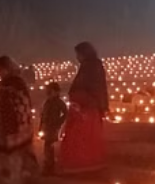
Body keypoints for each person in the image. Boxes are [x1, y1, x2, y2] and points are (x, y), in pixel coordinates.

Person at [0, 56, 37, 184]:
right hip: (2, 127)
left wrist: (18, 125)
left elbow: (22, 105)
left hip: (14, 127)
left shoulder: (16, 83)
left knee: (14, 158)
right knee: (3, 158)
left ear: (6, 68)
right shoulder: (5, 83)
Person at [59, 42, 109, 173]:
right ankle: (83, 163)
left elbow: (94, 87)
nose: (77, 58)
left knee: (83, 137)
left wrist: (81, 100)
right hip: (85, 106)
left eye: (78, 54)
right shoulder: (89, 66)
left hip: (87, 108)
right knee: (82, 136)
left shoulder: (91, 66)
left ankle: (83, 163)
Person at [39, 82, 68, 175]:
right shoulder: (47, 102)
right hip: (47, 127)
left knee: (50, 147)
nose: (48, 93)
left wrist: (58, 122)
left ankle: (50, 167)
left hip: (53, 128)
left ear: (56, 92)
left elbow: (65, 113)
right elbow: (43, 115)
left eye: (50, 91)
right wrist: (41, 127)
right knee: (47, 147)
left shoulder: (59, 102)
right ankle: (48, 165)